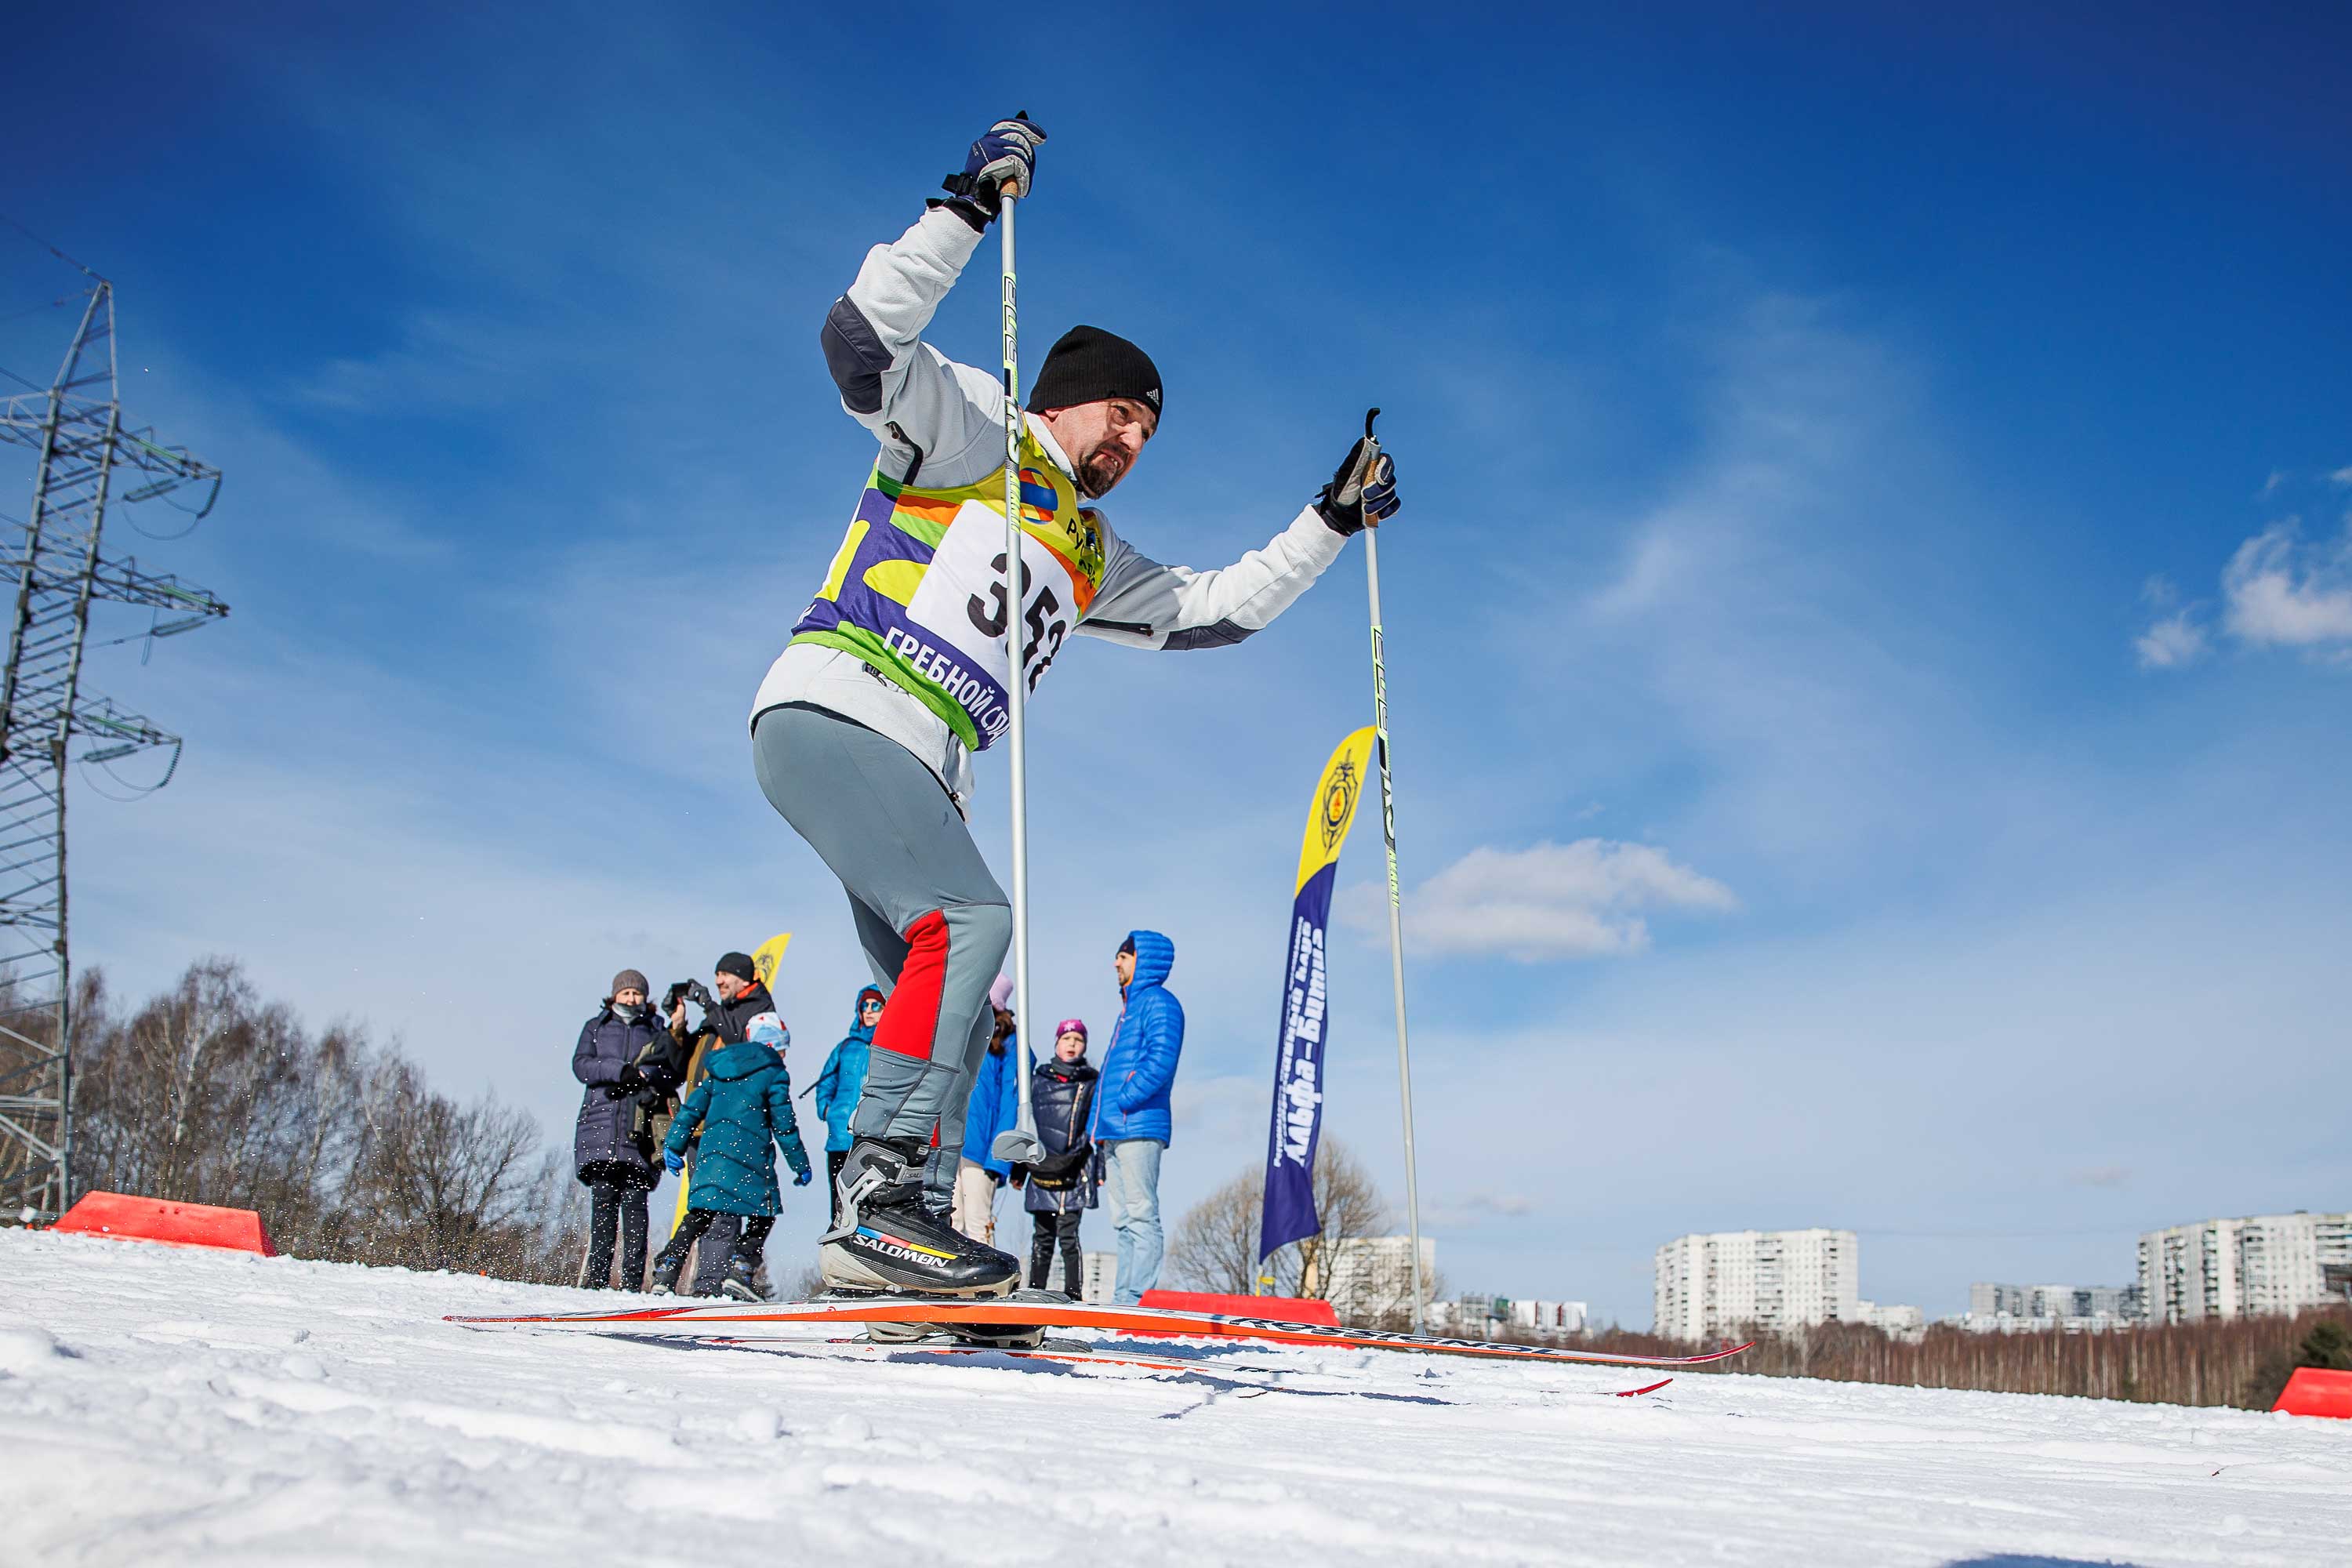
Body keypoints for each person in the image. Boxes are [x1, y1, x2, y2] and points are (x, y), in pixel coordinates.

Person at [747, 115, 1399, 1298]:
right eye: (1122, 415)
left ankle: (901, 1236)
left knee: (951, 999)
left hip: (921, 763)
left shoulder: (1091, 549)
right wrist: (965, 208)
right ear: (1068, 400)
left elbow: (1216, 610)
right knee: (972, 923)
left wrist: (1329, 520)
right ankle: (880, 1199)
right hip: (844, 706)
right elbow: (860, 341)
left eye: (1149, 432)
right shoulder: (977, 425)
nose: (1133, 440)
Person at [650, 1012, 814, 1300]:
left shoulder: (719, 1069)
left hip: (712, 1159)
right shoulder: (774, 1073)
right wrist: (800, 1164)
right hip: (751, 1162)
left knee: (699, 1215)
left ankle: (667, 1268)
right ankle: (742, 1267)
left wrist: (673, 1146)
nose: (785, 1055)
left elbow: (691, 1111)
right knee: (764, 1214)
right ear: (772, 1045)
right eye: (783, 1047)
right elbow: (784, 1125)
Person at [664, 951, 785, 1294]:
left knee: (724, 1210)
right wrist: (677, 1028)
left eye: (724, 975)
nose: (718, 982)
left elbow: (740, 1047)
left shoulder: (758, 1010)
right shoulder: (718, 1015)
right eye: (716, 975)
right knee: (704, 1206)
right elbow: (677, 1066)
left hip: (733, 1124)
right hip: (701, 1125)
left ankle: (710, 1287)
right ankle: (682, 1280)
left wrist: (708, 1005)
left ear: (744, 977)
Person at [570, 968, 681, 1290]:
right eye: (626, 992)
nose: (631, 999)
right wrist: (620, 1071)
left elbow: (672, 1070)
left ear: (645, 997)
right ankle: (597, 1281)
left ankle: (633, 1284)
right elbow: (581, 1065)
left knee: (635, 1206)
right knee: (603, 1204)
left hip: (640, 1127)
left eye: (637, 993)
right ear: (614, 995)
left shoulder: (656, 1028)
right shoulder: (596, 1026)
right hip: (601, 1126)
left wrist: (648, 1076)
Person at [1093, 931, 1182, 1305]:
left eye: (1124, 956)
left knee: (1142, 1214)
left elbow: (1161, 1059)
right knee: (1123, 1219)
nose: (1116, 962)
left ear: (1143, 960)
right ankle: (1123, 1300)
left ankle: (1137, 1299)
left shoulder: (1160, 1003)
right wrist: (1098, 1126)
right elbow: (1108, 1075)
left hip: (1139, 1124)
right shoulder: (1128, 1011)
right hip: (1116, 1128)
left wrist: (1127, 1098)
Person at [1015, 1019, 1098, 1294]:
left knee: (1069, 1236)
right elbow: (1027, 1126)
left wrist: (1098, 1169)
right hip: (1042, 1168)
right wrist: (1019, 1168)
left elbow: (1095, 1127)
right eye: (1066, 1038)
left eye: (1078, 1039)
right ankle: (1035, 1290)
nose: (1072, 1044)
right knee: (1042, 1236)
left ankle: (1073, 1293)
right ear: (1056, 1043)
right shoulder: (1038, 1081)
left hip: (1075, 1169)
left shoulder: (1091, 1082)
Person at [952, 977, 1022, 1243]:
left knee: (977, 1221)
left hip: (980, 1149)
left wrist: (999, 1157)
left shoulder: (1009, 1044)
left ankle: (984, 1272)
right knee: (949, 1220)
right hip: (949, 1143)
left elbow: (1010, 1104)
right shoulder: (961, 1032)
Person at [811, 986, 884, 1222]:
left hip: (872, 1137)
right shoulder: (846, 1047)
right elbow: (825, 1083)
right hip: (840, 1138)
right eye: (864, 1006)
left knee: (868, 1201)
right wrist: (827, 1111)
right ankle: (837, 1240)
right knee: (838, 1201)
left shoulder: (889, 1047)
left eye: (876, 1005)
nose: (869, 1011)